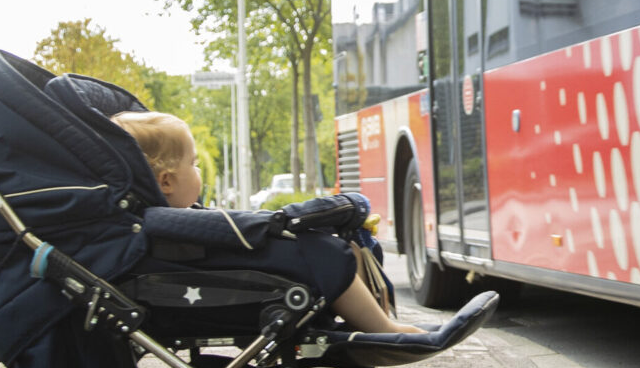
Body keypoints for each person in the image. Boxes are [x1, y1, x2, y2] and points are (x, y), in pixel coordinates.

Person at [107, 110, 420, 334]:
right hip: (228, 284)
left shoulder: (158, 224)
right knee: (323, 250)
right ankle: (381, 328)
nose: (199, 170)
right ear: (166, 182)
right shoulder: (166, 224)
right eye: (194, 163)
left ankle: (367, 322)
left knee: (335, 247)